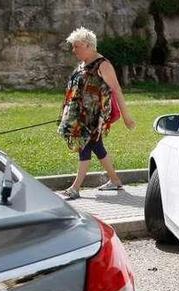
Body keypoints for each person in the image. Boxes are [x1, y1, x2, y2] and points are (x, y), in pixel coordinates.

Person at [58, 27, 135, 199]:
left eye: (76, 46)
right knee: (97, 148)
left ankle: (75, 188)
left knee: (84, 148)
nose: (73, 50)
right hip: (80, 116)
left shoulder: (103, 65)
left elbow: (117, 90)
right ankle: (115, 180)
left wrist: (127, 118)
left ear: (87, 45)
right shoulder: (83, 64)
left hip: (94, 118)